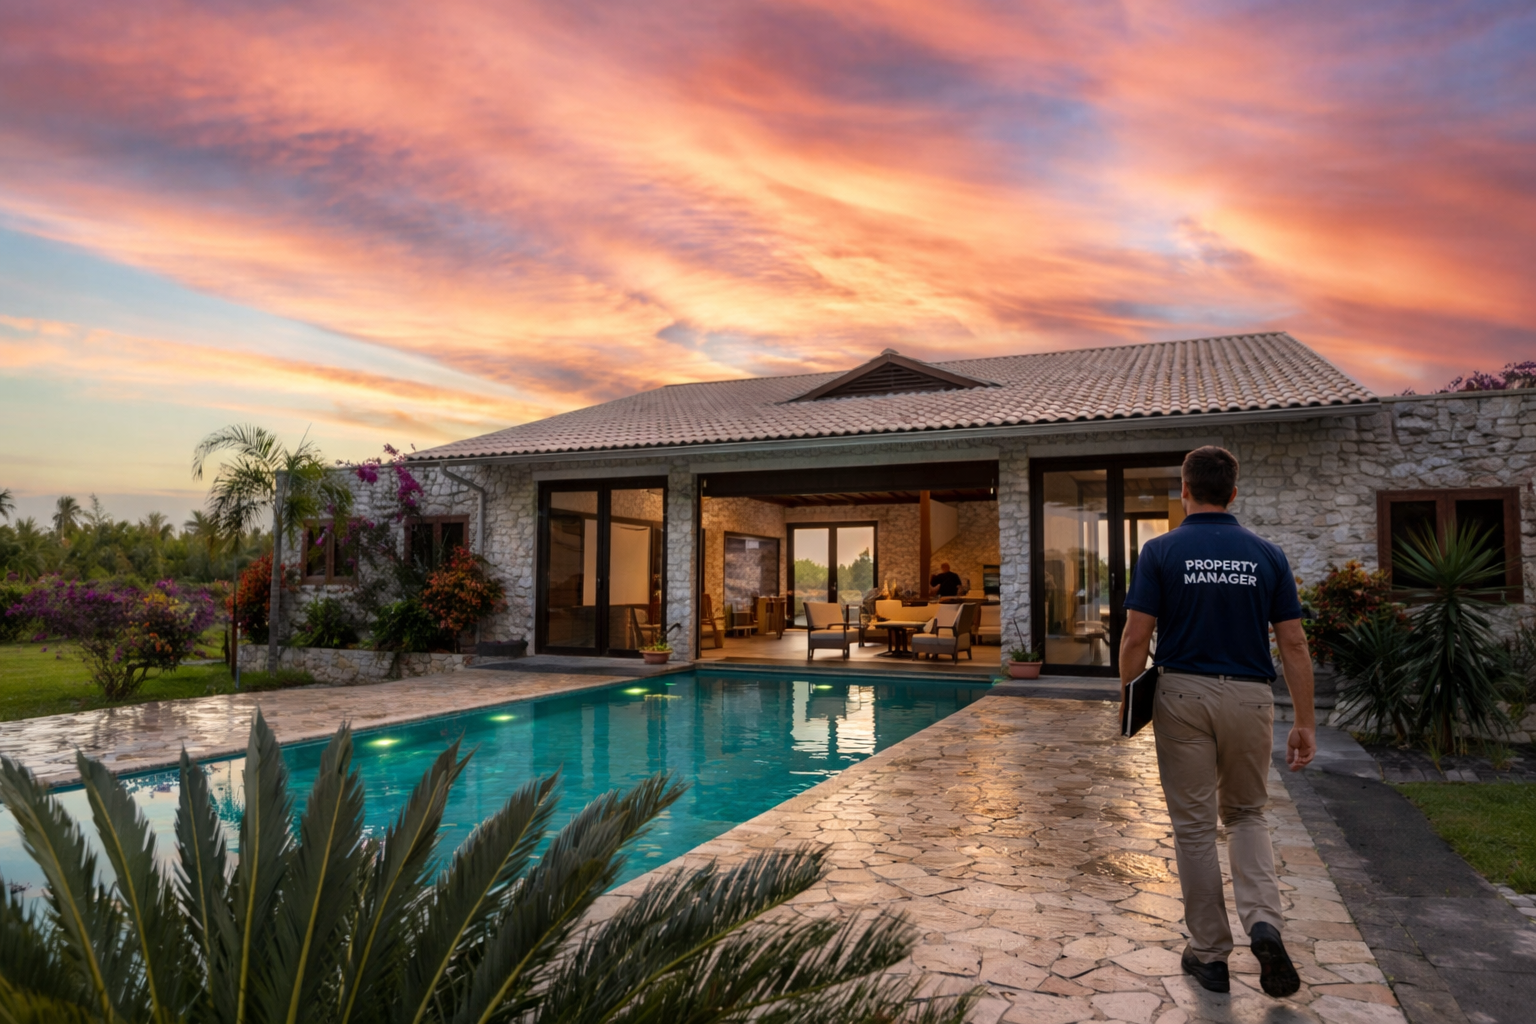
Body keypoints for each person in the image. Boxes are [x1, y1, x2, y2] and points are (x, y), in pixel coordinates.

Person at [1119, 445, 1316, 999]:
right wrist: (1305, 721)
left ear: (1184, 492)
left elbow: (1136, 637)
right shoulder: (1268, 555)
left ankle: (1209, 955)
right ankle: (1264, 925)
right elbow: (1294, 644)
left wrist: (1128, 700)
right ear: (1233, 493)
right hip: (1252, 698)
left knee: (1195, 827)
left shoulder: (1160, 550)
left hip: (1182, 694)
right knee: (1248, 814)